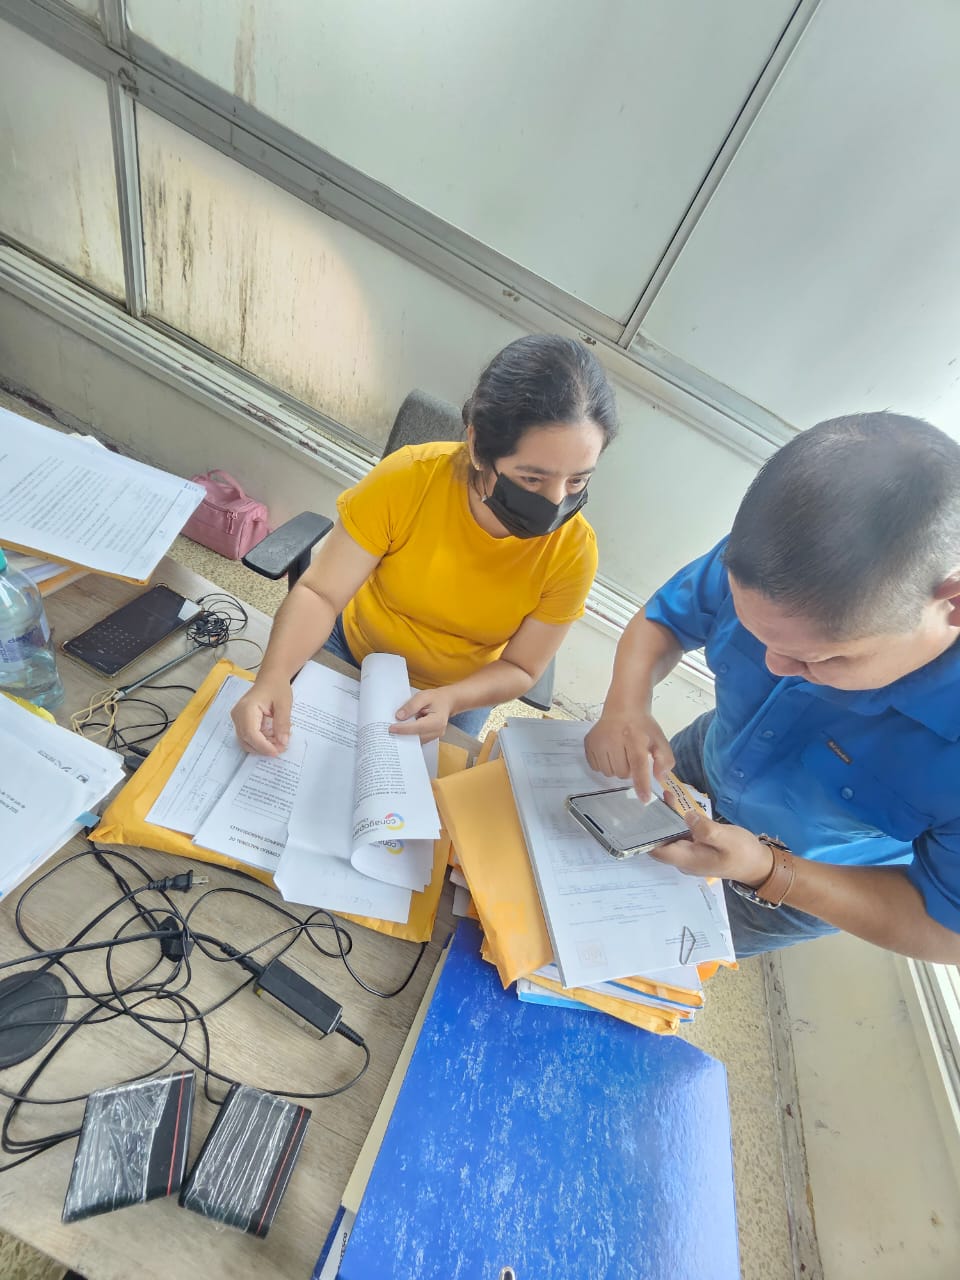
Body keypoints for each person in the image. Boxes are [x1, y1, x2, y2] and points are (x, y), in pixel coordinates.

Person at [585, 412, 960, 962]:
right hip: (698, 765)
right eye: (753, 630)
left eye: (819, 658)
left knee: (647, 962)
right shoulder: (781, 564)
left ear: (952, 604)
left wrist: (768, 870)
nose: (774, 666)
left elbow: (947, 930)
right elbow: (665, 619)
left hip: (806, 880)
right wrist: (626, 703)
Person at [232, 334, 618, 752]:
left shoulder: (573, 552)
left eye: (577, 480)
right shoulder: (409, 480)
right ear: (477, 446)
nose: (556, 501)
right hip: (353, 649)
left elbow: (522, 667)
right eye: (532, 478)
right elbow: (321, 594)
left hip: (459, 694)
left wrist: (454, 699)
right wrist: (272, 678)